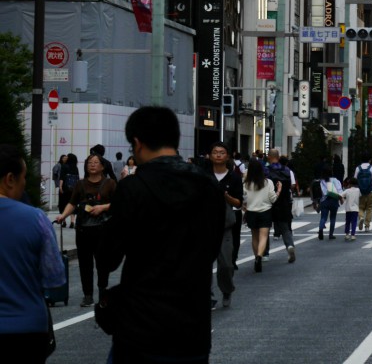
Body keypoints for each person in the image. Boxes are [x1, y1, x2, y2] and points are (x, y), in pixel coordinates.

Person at [99, 106, 224, 364]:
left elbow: (107, 257)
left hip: (140, 325)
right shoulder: (209, 186)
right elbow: (212, 249)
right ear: (175, 138)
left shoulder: (133, 187)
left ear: (137, 143)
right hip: (193, 327)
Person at [0, 144, 66, 362]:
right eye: (24, 177)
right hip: (27, 328)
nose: (24, 183)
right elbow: (55, 278)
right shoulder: (36, 218)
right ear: (10, 179)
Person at [55, 153, 115, 307]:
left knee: (102, 263)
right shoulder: (80, 184)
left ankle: (102, 291)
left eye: (96, 162)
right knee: (84, 263)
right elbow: (72, 203)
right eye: (89, 162)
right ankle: (87, 295)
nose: (92, 164)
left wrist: (102, 207)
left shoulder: (110, 183)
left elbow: (119, 202)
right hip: (83, 229)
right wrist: (63, 215)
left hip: (103, 230)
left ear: (102, 166)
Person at [204, 142, 242, 308]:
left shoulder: (234, 178)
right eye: (215, 152)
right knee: (203, 265)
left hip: (225, 227)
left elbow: (239, 202)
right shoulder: (204, 176)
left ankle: (227, 290)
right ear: (210, 156)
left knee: (226, 265)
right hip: (204, 227)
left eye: (222, 152)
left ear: (227, 156)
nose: (218, 155)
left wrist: (227, 197)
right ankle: (208, 296)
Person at [244, 158, 281, 271]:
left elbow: (243, 199)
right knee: (263, 236)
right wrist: (279, 190)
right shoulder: (268, 182)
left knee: (254, 237)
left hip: (251, 212)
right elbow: (273, 199)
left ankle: (256, 257)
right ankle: (260, 256)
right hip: (265, 211)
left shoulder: (246, 184)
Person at [265, 150, 296, 262]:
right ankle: (290, 246)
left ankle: (265, 253)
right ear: (278, 157)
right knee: (285, 227)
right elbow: (292, 186)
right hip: (284, 202)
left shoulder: (266, 170)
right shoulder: (287, 170)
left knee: (265, 228)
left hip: (269, 202)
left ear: (269, 157)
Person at [355, 155, 372, 231]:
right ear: (369, 160)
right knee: (369, 208)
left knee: (360, 207)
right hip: (370, 191)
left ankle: (361, 217)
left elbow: (355, 180)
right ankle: (367, 226)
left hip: (360, 192)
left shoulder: (358, 168)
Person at [318, 166, 343, 240]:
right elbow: (339, 190)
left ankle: (321, 229)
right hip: (334, 200)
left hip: (324, 200)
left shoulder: (321, 181)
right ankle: (331, 234)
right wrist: (341, 198)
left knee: (323, 217)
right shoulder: (335, 180)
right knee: (333, 217)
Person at [57, 152, 79, 226]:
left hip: (65, 188)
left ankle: (64, 221)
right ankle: (72, 222)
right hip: (73, 189)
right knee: (73, 203)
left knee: (63, 203)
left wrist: (60, 187)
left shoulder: (64, 166)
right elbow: (77, 178)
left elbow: (62, 178)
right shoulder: (75, 168)